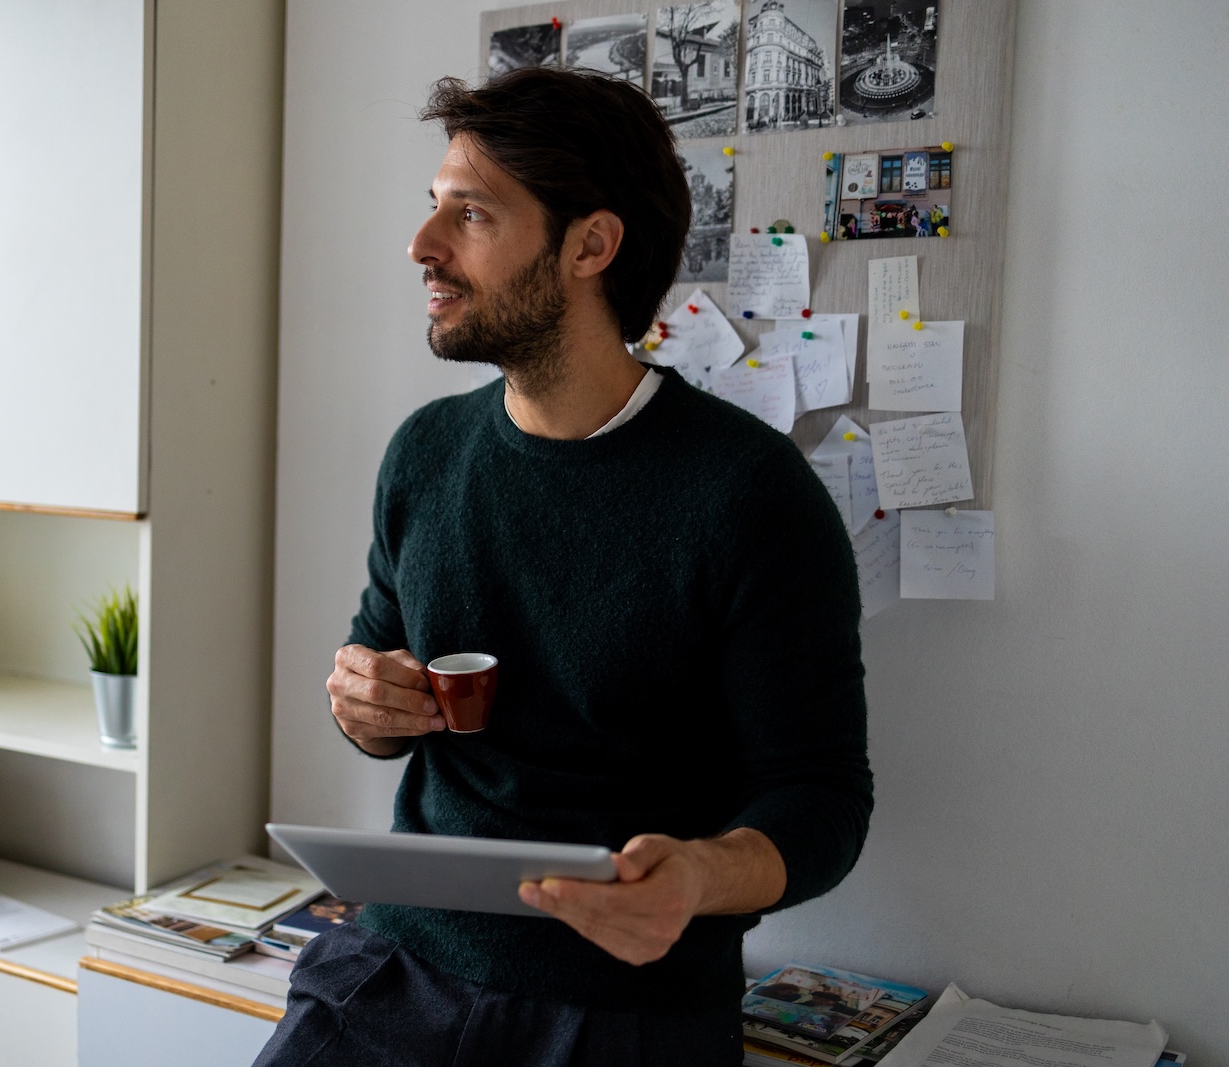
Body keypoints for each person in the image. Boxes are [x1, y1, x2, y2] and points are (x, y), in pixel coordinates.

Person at [254, 67, 872, 1067]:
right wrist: (364, 704)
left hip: (620, 1006)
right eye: (431, 208)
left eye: (472, 214)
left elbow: (823, 797)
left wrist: (700, 875)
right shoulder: (425, 452)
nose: (423, 246)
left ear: (591, 244)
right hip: (398, 960)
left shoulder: (750, 493)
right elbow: (380, 676)